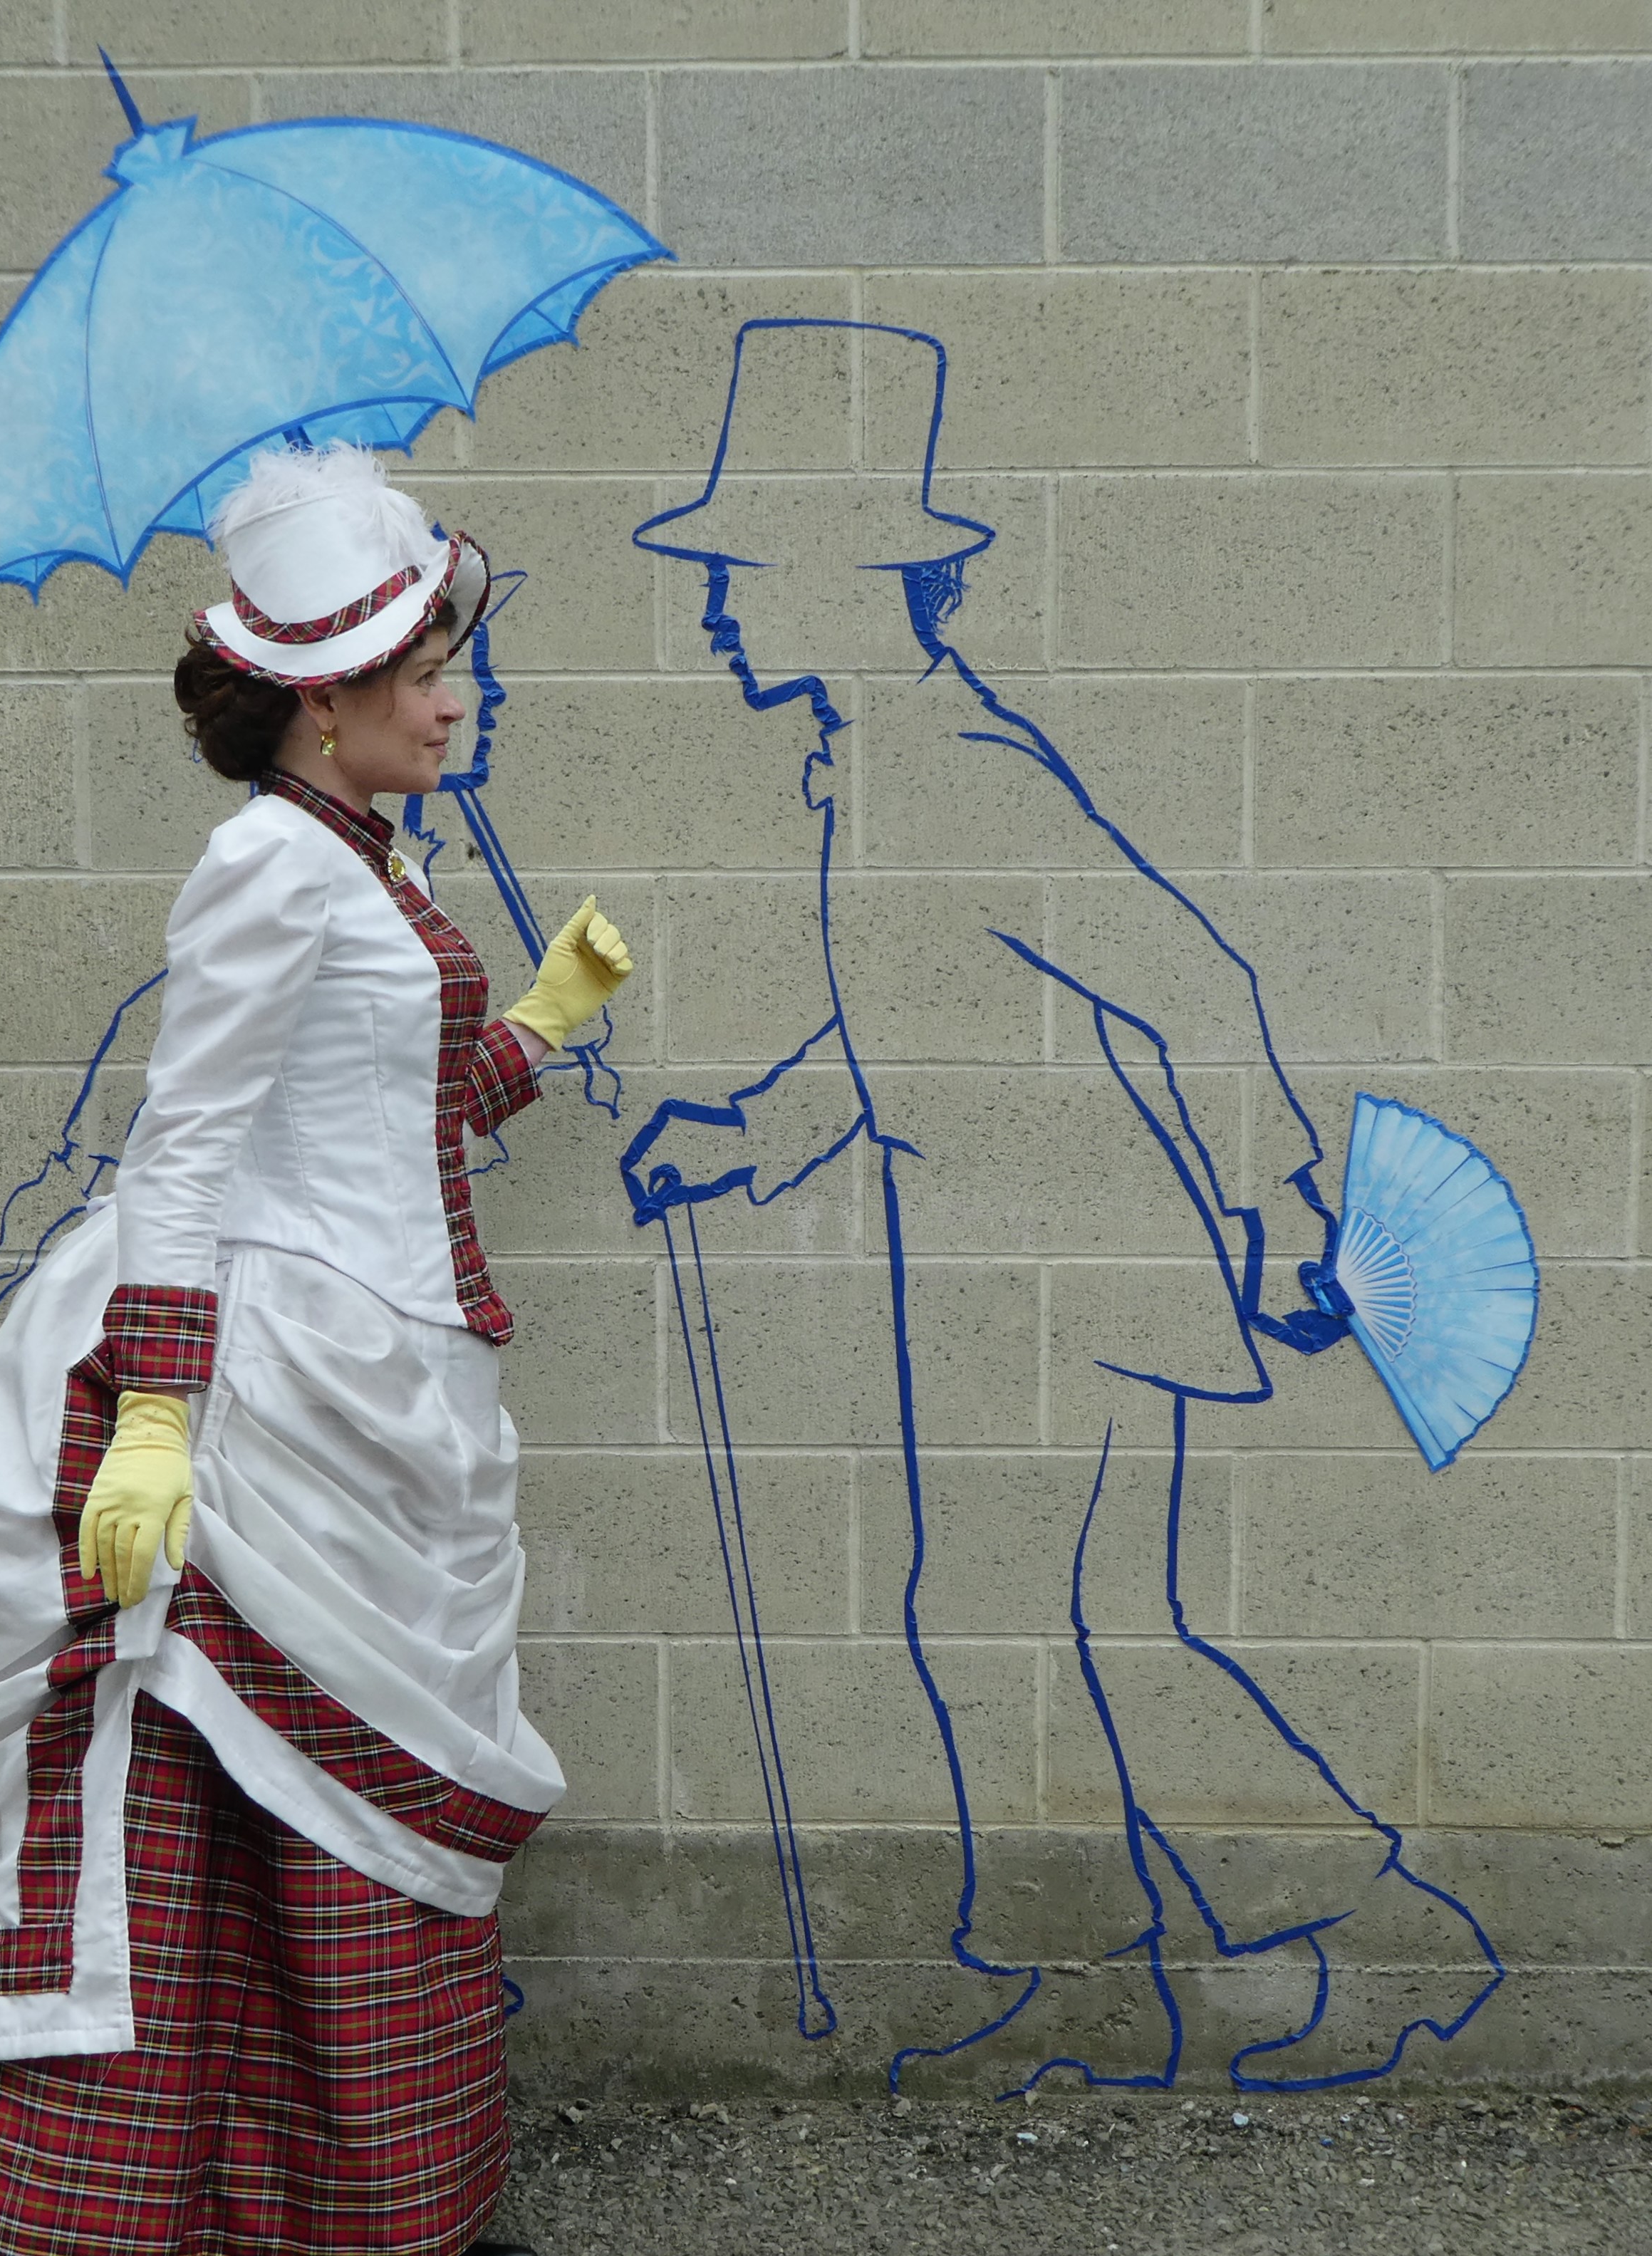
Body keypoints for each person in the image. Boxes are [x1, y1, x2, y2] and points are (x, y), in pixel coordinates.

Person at [622, 320, 1500, 2095]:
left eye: (735, 572)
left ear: (841, 577)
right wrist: (749, 1132)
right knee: (1055, 1617)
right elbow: (904, 1017)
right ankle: (1220, 1953)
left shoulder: (958, 765)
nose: (710, 609)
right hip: (991, 1267)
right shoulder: (879, 759)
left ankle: (1248, 1950)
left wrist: (1275, 1208)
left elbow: (1197, 979)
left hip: (1065, 1277)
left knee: (1010, 1618)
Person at [0, 444, 633, 2256]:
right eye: (419, 675)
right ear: (321, 702)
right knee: (219, 1792)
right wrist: (153, 1411)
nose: (452, 700)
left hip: (383, 1356)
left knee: (335, 1790)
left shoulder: (362, 856)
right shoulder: (267, 867)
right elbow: (191, 1147)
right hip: (266, 1377)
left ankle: (356, 2210)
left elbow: (385, 1115)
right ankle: (157, 2211)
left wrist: (540, 1024)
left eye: (444, 666)